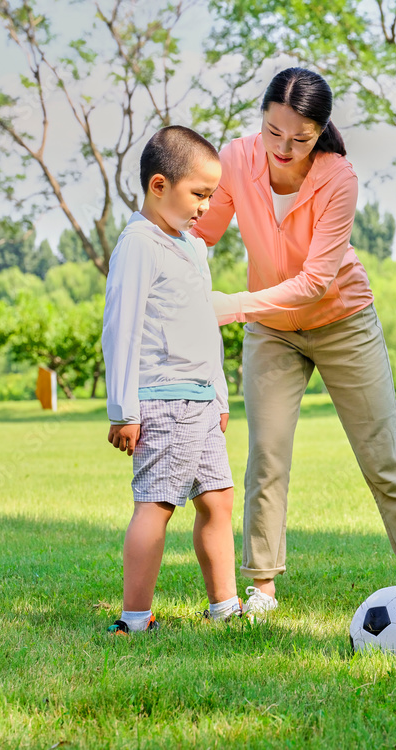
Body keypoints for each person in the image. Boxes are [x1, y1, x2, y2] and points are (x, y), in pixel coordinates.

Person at [192, 68, 396, 618]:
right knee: (267, 453)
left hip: (341, 321)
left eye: (300, 138)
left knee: (382, 451)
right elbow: (203, 231)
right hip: (272, 329)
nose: (283, 148)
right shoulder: (236, 158)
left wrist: (229, 306)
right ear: (260, 120)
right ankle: (261, 589)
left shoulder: (338, 177)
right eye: (273, 131)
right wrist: (159, 242)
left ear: (320, 132)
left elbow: (314, 282)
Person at [102, 126, 240, 634]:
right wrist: (123, 410)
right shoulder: (139, 244)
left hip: (200, 401)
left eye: (211, 195)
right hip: (162, 401)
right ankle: (135, 619)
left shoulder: (190, 247)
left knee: (218, 499)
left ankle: (225, 607)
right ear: (159, 185)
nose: (206, 207)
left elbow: (205, 324)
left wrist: (219, 394)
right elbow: (121, 329)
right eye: (198, 194)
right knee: (157, 505)